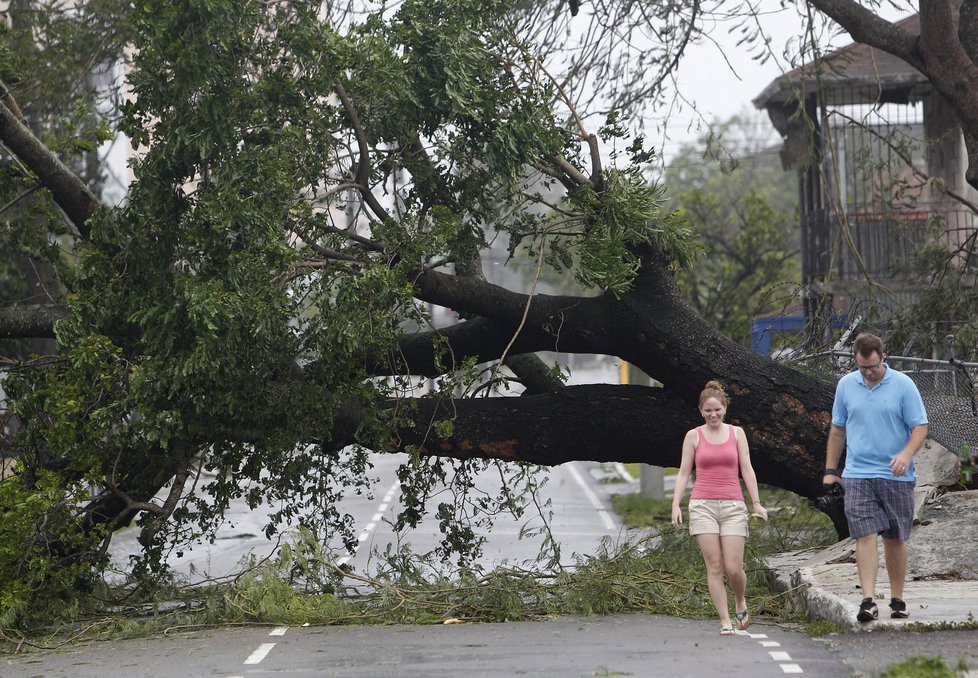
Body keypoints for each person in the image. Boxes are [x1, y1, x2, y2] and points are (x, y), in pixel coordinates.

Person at [822, 332, 928, 623]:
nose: (868, 373)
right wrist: (831, 471)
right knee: (864, 534)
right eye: (862, 368)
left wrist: (906, 454)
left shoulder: (903, 385)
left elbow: (920, 426)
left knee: (895, 538)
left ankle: (897, 599)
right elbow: (837, 430)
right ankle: (868, 600)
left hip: (896, 475)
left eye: (872, 367)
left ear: (883, 357)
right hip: (858, 473)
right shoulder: (846, 385)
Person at [671, 380, 769, 636]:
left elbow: (746, 468)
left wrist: (756, 503)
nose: (713, 414)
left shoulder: (737, 434)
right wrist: (676, 505)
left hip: (733, 505)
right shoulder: (693, 436)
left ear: (725, 408)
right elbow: (683, 473)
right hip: (702, 505)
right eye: (708, 410)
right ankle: (725, 619)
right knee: (714, 566)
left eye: (717, 409)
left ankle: (740, 600)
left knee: (734, 567)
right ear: (701, 411)